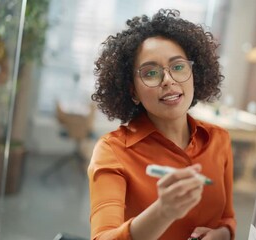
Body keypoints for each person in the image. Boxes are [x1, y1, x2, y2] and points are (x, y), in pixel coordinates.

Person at [88, 9, 236, 240]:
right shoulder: (112, 151)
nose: (168, 80)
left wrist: (223, 234)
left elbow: (227, 218)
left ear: (194, 75)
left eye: (178, 67)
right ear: (132, 91)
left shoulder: (219, 140)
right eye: (151, 73)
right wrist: (163, 211)